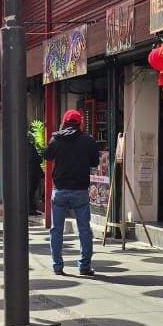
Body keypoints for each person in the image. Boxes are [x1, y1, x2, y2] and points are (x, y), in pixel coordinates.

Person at [43, 109, 100, 276]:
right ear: (80, 122)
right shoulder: (88, 140)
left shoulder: (56, 138)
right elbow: (95, 162)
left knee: (56, 230)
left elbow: (47, 155)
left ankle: (57, 266)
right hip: (80, 191)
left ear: (64, 122)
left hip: (59, 190)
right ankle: (84, 266)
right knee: (84, 229)